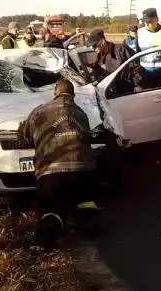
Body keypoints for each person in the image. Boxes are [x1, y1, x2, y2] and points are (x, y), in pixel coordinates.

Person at [16, 77, 100, 245]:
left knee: (50, 207)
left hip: (51, 173)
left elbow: (24, 138)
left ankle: (50, 229)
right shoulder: (81, 113)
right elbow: (87, 138)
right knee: (85, 200)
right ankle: (87, 221)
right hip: (83, 171)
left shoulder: (39, 111)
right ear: (73, 96)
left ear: (55, 93)